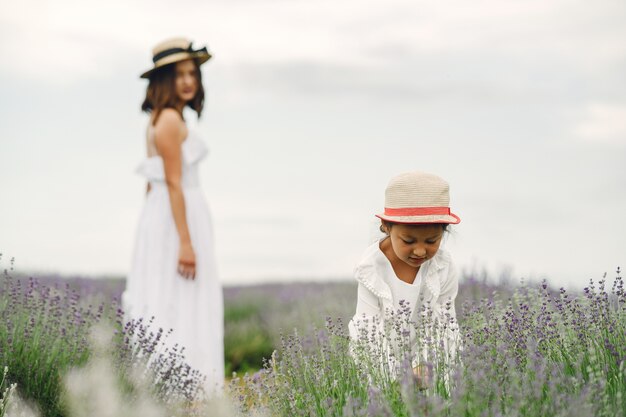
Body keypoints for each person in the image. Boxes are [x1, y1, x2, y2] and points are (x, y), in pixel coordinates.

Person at [122, 37, 224, 394]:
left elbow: (154, 185)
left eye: (192, 73)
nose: (188, 81)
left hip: (166, 215)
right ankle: (187, 388)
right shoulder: (167, 120)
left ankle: (178, 386)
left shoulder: (166, 118)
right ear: (163, 79)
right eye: (179, 74)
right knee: (180, 298)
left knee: (174, 297)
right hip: (176, 217)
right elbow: (173, 183)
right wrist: (184, 241)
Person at [348, 171, 461, 389]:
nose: (420, 251)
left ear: (443, 233)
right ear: (386, 227)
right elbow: (367, 328)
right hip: (379, 353)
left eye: (431, 240)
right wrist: (394, 378)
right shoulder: (370, 268)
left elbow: (446, 325)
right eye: (408, 240)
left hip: (429, 349)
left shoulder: (443, 267)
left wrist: (426, 366)